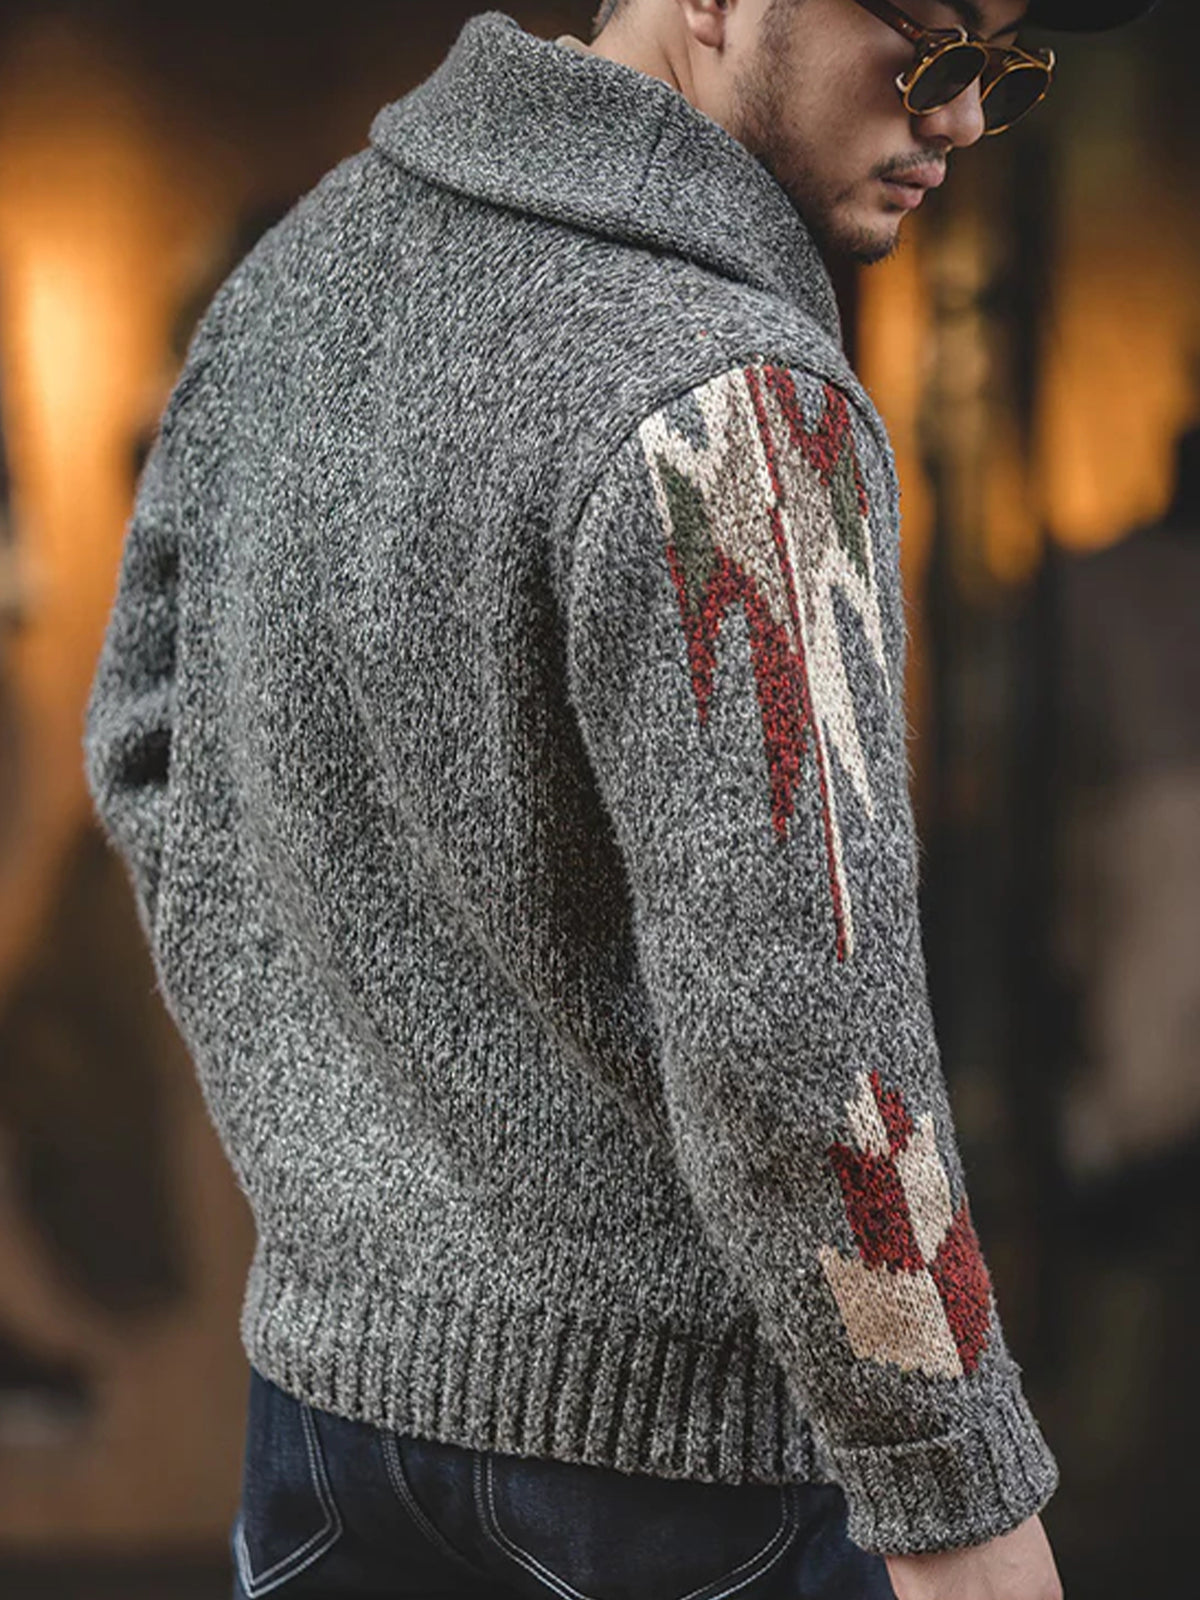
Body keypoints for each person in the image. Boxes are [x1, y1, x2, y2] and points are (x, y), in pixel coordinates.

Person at [83, 2, 1156, 1597]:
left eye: (1006, 69)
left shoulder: (291, 288)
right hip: (690, 1484)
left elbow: (146, 752)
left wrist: (340, 1151)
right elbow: (804, 1037)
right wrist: (963, 1510)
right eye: (933, 41)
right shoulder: (734, 399)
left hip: (320, 1432)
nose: (962, 119)